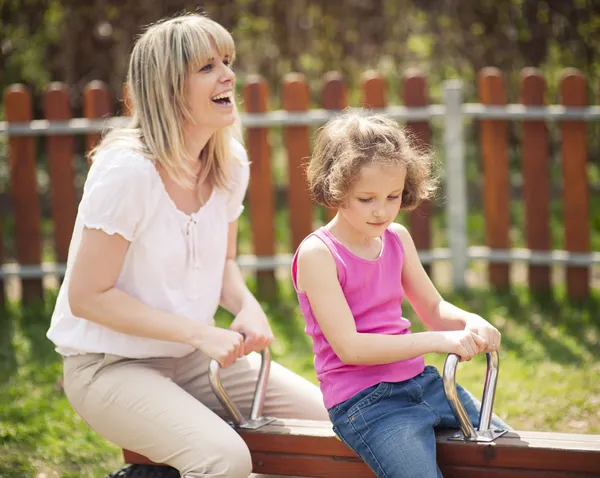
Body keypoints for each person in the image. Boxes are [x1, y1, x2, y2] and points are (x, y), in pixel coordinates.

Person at [46, 13, 328, 478]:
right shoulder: (127, 172)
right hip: (109, 368)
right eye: (206, 67)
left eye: (227, 61)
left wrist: (247, 305)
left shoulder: (229, 163)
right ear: (167, 88)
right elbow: (87, 297)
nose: (228, 75)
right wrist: (200, 332)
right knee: (224, 459)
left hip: (191, 360)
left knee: (333, 429)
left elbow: (224, 262)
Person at [291, 111, 508, 478]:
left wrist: (471, 320)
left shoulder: (397, 238)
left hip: (422, 384)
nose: (382, 210)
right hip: (367, 403)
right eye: (366, 198)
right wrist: (439, 340)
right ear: (335, 188)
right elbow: (351, 348)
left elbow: (434, 307)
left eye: (393, 195)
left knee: (506, 453)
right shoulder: (318, 254)